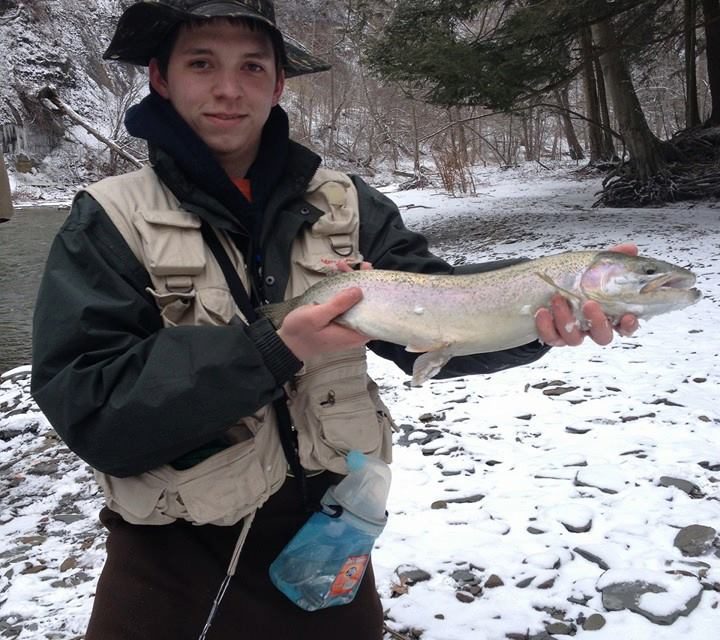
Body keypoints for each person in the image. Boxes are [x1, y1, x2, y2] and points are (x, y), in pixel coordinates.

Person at [30, 2, 638, 639]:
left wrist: (538, 311)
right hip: (170, 567)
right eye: (201, 64)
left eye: (252, 66)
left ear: (278, 83)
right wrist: (271, 349)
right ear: (161, 77)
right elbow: (91, 409)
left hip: (332, 544)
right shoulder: (106, 219)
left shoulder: (348, 204)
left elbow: (441, 312)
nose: (228, 88)